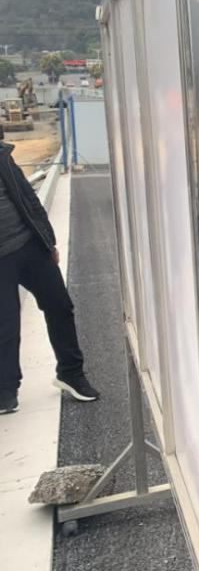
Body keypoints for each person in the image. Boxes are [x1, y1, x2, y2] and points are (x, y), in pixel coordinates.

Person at [1, 128, 100, 414]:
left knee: (60, 306)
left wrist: (48, 242)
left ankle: (71, 373)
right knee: (5, 326)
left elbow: (28, 200)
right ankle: (5, 390)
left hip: (29, 245)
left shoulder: (3, 157)